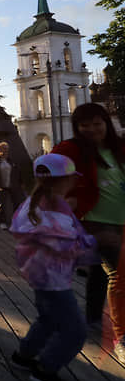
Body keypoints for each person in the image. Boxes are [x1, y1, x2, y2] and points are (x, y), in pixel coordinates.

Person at [9, 153, 97, 381]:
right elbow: (67, 245)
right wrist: (100, 244)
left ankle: (22, 356)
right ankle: (45, 371)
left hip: (42, 276)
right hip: (53, 280)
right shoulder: (52, 209)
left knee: (48, 319)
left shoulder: (38, 203)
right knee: (75, 331)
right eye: (71, 178)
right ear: (64, 180)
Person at [51, 103, 125, 361]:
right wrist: (65, 201)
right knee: (118, 274)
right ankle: (121, 336)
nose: (92, 130)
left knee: (100, 272)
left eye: (97, 123)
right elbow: (49, 174)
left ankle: (93, 318)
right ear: (77, 128)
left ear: (106, 123)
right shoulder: (71, 149)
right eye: (85, 125)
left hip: (121, 221)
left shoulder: (118, 148)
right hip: (93, 223)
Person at [0, 141, 25, 230]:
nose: (6, 151)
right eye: (4, 149)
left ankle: (16, 222)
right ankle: (2, 222)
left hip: (13, 185)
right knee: (1, 204)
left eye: (7, 149)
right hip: (0, 185)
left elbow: (18, 173)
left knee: (17, 202)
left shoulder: (11, 161)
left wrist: (21, 183)